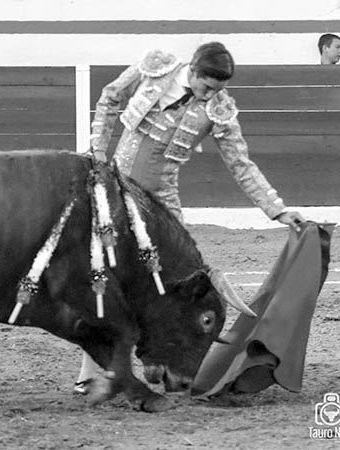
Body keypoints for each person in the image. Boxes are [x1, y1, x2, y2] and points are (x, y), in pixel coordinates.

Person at [75, 41, 306, 394]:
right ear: (193, 71)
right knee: (105, 279)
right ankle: (91, 374)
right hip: (117, 192)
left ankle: (163, 362)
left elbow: (240, 164)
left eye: (217, 90)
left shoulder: (219, 109)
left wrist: (277, 209)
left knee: (174, 288)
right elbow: (109, 97)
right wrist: (97, 150)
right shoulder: (155, 69)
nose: (210, 95)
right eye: (206, 87)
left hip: (163, 206)